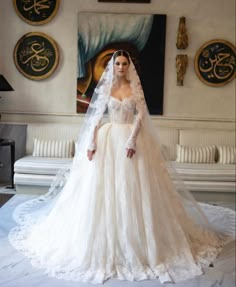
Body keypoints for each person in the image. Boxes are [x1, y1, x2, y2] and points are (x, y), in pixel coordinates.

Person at [9, 50, 235, 285]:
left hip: (129, 139)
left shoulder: (134, 87)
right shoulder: (105, 88)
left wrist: (132, 139)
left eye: (124, 63)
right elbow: (96, 117)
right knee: (101, 189)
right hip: (107, 139)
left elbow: (141, 115)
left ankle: (139, 240)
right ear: (112, 65)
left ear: (129, 66)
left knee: (135, 189)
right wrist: (92, 142)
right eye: (117, 63)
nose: (121, 66)